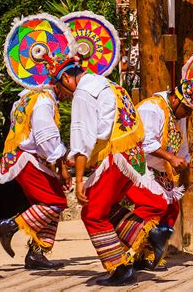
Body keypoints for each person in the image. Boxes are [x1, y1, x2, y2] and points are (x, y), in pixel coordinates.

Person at [52, 56, 160, 286]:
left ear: (65, 78)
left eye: (61, 88)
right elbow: (104, 132)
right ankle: (145, 233)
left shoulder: (82, 94)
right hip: (132, 158)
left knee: (91, 213)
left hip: (117, 158)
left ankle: (121, 270)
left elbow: (82, 140)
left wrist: (79, 180)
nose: (66, 95)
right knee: (106, 208)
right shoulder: (109, 84)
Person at [110, 79, 193, 270]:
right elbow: (145, 143)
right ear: (177, 100)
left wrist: (184, 160)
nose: (188, 114)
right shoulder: (152, 109)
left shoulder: (178, 115)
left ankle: (145, 253)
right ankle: (124, 252)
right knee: (154, 205)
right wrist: (171, 158)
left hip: (157, 168)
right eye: (187, 109)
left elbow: (182, 145)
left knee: (171, 209)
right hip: (134, 165)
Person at [0, 86, 72, 270]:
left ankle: (37, 253)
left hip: (23, 157)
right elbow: (46, 140)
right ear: (59, 81)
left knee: (50, 203)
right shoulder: (43, 101)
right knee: (55, 202)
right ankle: (10, 226)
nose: (71, 93)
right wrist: (62, 167)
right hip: (27, 159)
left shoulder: (28, 96)